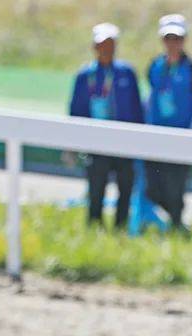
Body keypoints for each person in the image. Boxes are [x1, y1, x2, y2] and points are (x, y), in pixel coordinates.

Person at [69, 23, 144, 228]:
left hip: (124, 141)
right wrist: (72, 144)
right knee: (96, 187)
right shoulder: (85, 75)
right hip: (96, 141)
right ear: (94, 47)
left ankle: (121, 228)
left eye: (110, 44)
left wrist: (140, 140)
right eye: (102, 44)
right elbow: (76, 110)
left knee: (126, 187)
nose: (106, 49)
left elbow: (137, 109)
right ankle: (94, 227)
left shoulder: (126, 73)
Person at [145, 14, 192, 232]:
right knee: (152, 184)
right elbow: (151, 97)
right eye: (168, 38)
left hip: (181, 135)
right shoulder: (155, 66)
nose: (173, 43)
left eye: (177, 38)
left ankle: (177, 224)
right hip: (156, 134)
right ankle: (163, 220)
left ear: (184, 40)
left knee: (176, 183)